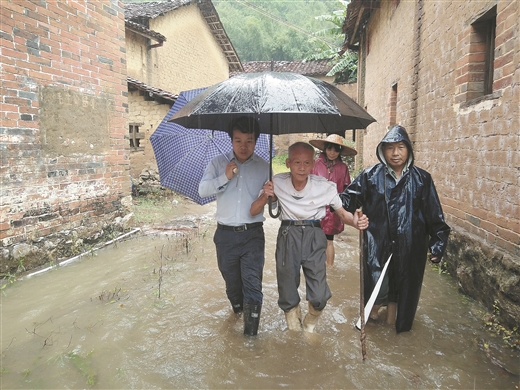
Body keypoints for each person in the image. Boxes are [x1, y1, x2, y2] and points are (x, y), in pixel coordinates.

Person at [339, 125, 451, 333]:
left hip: (411, 244)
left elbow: (434, 214)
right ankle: (371, 319)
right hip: (378, 242)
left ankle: (394, 326)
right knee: (378, 286)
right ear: (383, 151)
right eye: (390, 148)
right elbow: (346, 200)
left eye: (400, 147)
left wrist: (437, 244)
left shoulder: (422, 179)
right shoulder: (370, 176)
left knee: (404, 289)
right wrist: (349, 213)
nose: (395, 153)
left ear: (408, 149)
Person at [251, 142, 368, 333]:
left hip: (315, 235)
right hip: (288, 235)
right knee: (287, 288)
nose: (302, 168)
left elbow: (344, 215)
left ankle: (310, 324)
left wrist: (356, 222)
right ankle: (294, 328)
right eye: (297, 162)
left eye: (307, 162)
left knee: (319, 296)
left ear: (313, 164)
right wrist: (266, 195)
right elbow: (254, 210)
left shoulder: (326, 187)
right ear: (288, 163)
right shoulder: (276, 182)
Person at [199, 116, 270, 336]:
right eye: (238, 140)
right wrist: (225, 176)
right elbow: (203, 191)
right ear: (231, 140)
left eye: (249, 140)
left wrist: (271, 196)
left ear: (256, 141)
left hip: (253, 236)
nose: (243, 146)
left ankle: (250, 338)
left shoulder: (264, 168)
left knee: (253, 284)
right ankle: (237, 310)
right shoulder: (218, 163)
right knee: (232, 285)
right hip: (225, 236)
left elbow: (272, 203)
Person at [309, 134, 356, 267]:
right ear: (325, 149)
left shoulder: (343, 167)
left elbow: (347, 189)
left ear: (340, 151)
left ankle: (330, 267)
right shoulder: (316, 164)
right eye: (330, 149)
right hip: (316, 207)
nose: (332, 153)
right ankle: (315, 266)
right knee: (314, 238)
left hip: (334, 209)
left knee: (329, 240)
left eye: (336, 150)